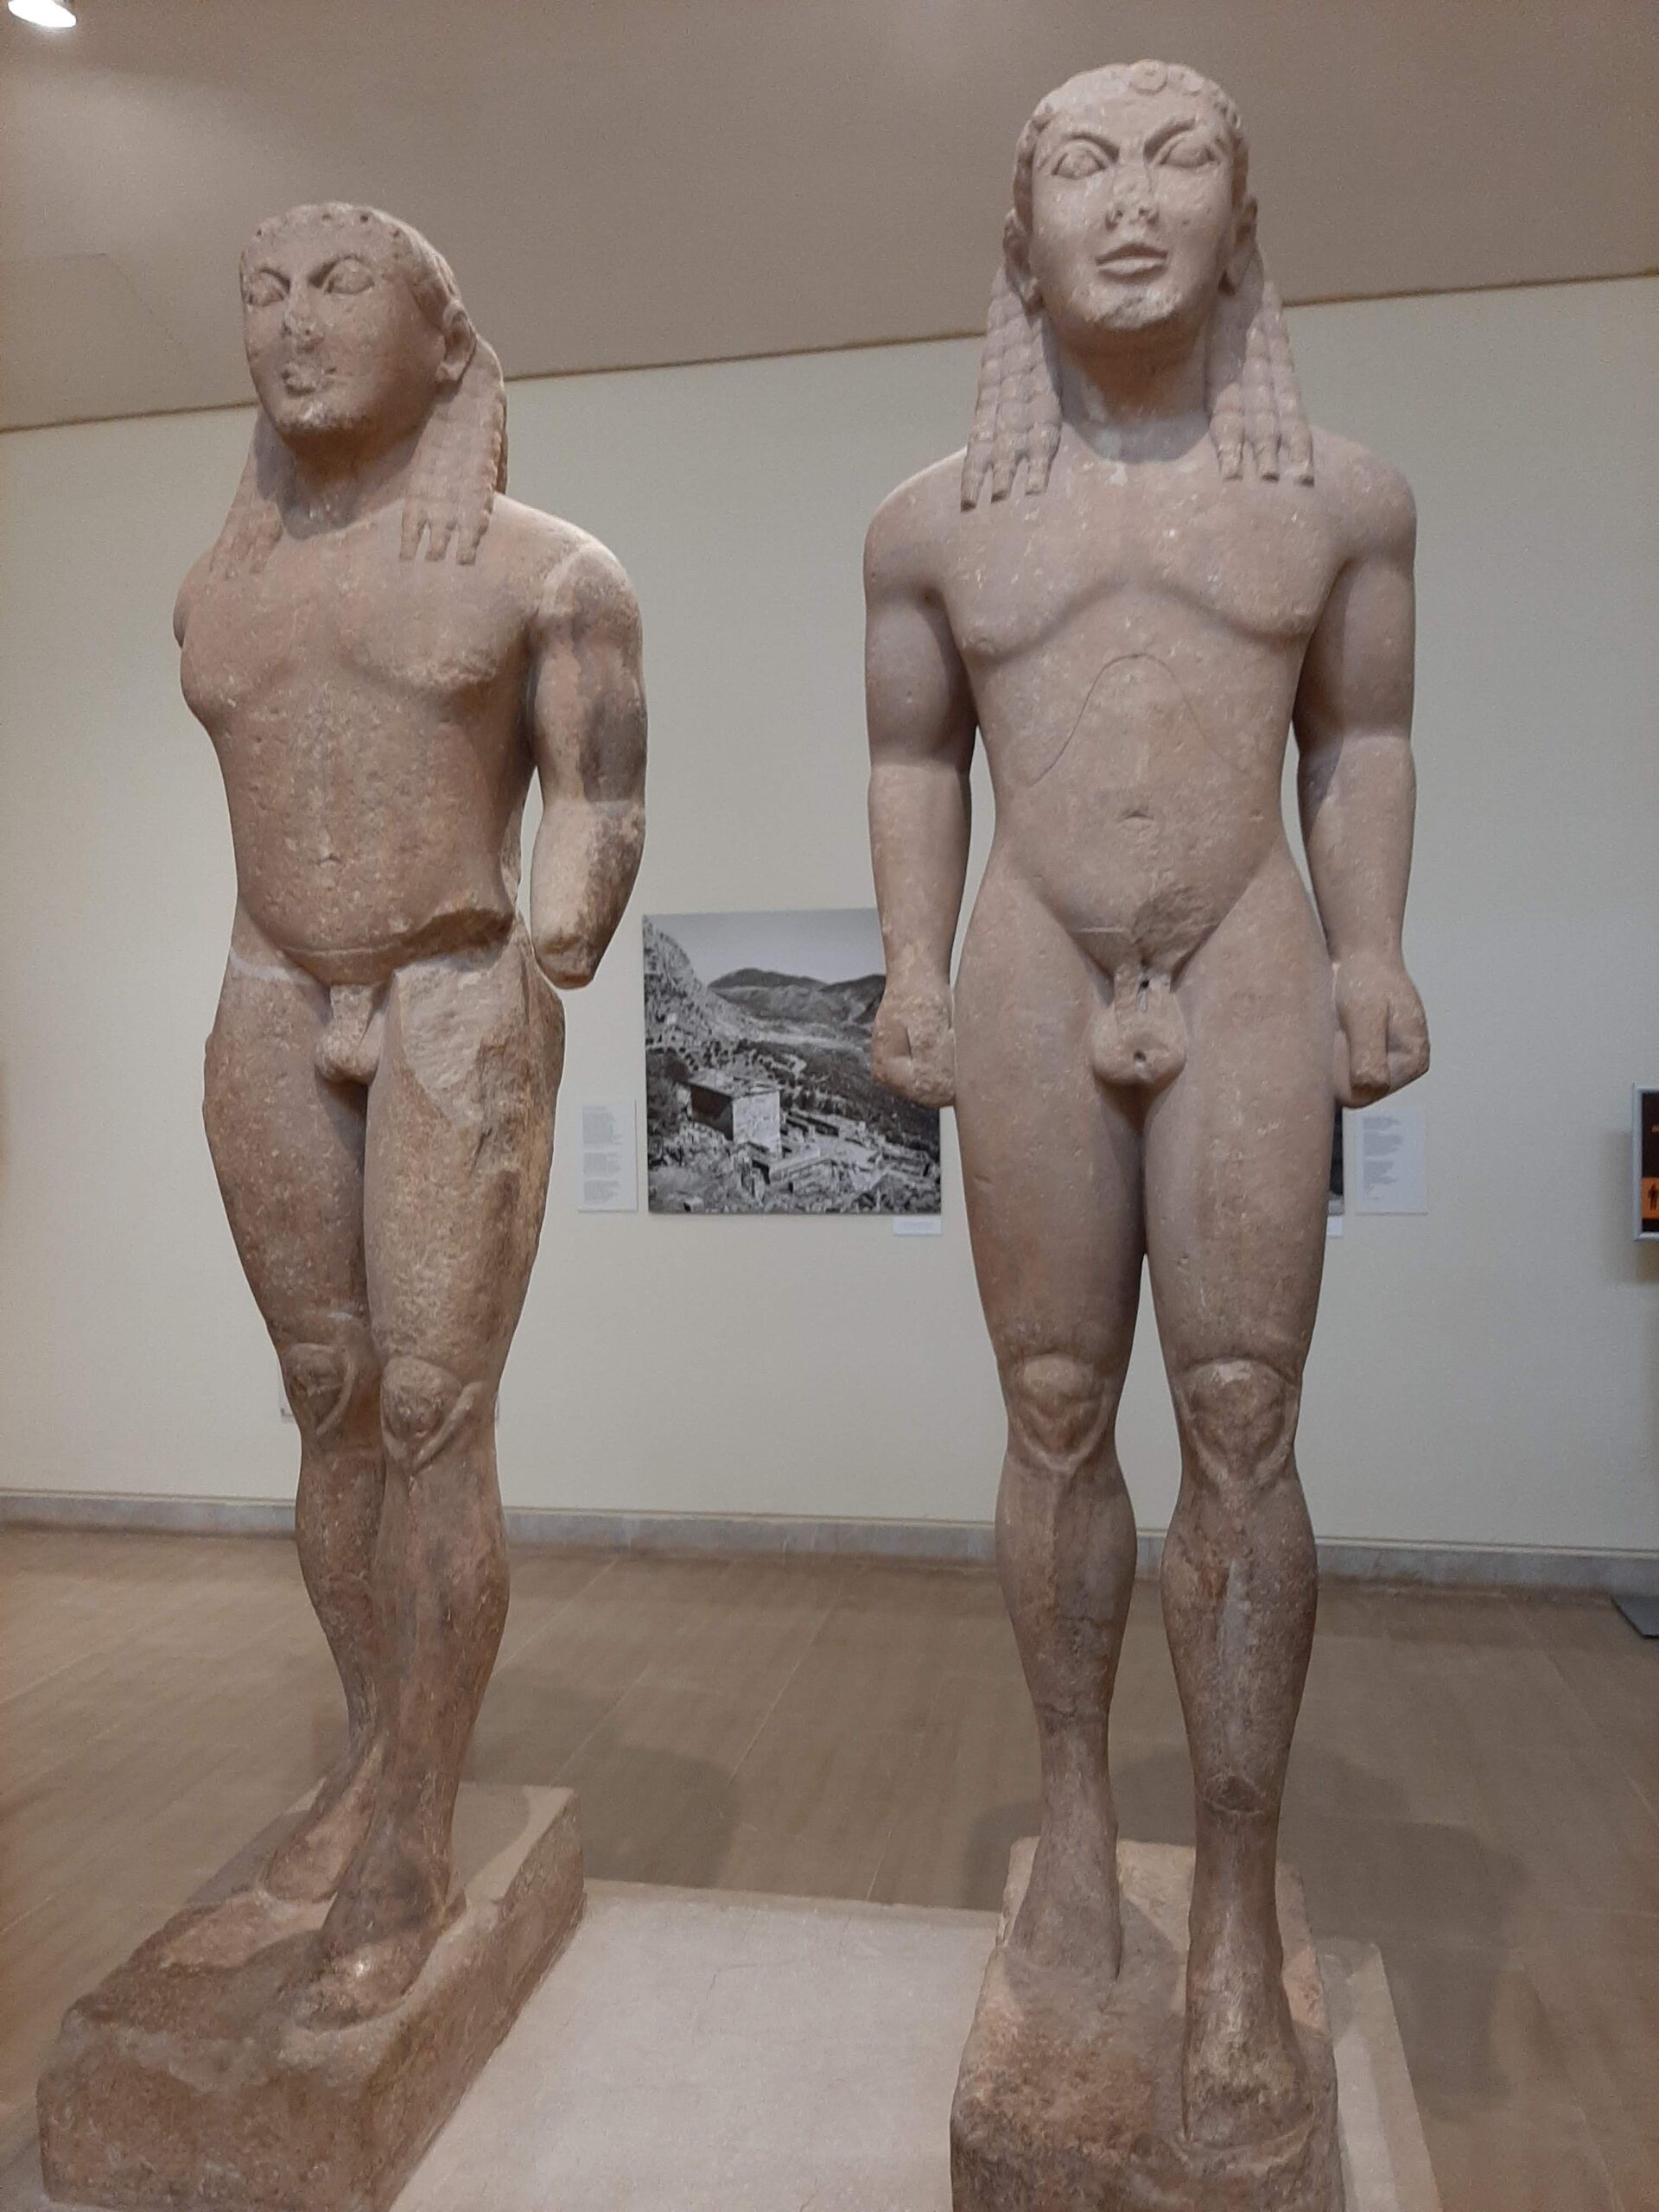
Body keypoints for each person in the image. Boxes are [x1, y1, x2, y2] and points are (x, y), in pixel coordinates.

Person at [864, 61, 1427, 2146]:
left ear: (1240, 220)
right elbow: (914, 758)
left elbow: (1360, 738)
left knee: (1246, 1412)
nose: (1129, 202)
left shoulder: (1339, 499)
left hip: (1247, 946)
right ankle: (1081, 1818)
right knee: (1046, 1399)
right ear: (1018, 239)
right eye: (1082, 167)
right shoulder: (932, 521)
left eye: (1178, 159)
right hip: (1030, 950)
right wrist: (911, 963)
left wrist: (1369, 949)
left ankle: (1239, 1904)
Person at [173, 203, 645, 2020]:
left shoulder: (549, 572)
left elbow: (600, 787)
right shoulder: (217, 588)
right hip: (267, 993)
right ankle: (372, 1747)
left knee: (436, 1408)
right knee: (328, 1395)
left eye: (340, 285)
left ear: (444, 343)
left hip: (454, 987)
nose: (293, 321)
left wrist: (573, 908)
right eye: (264, 289)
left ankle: (419, 1822)